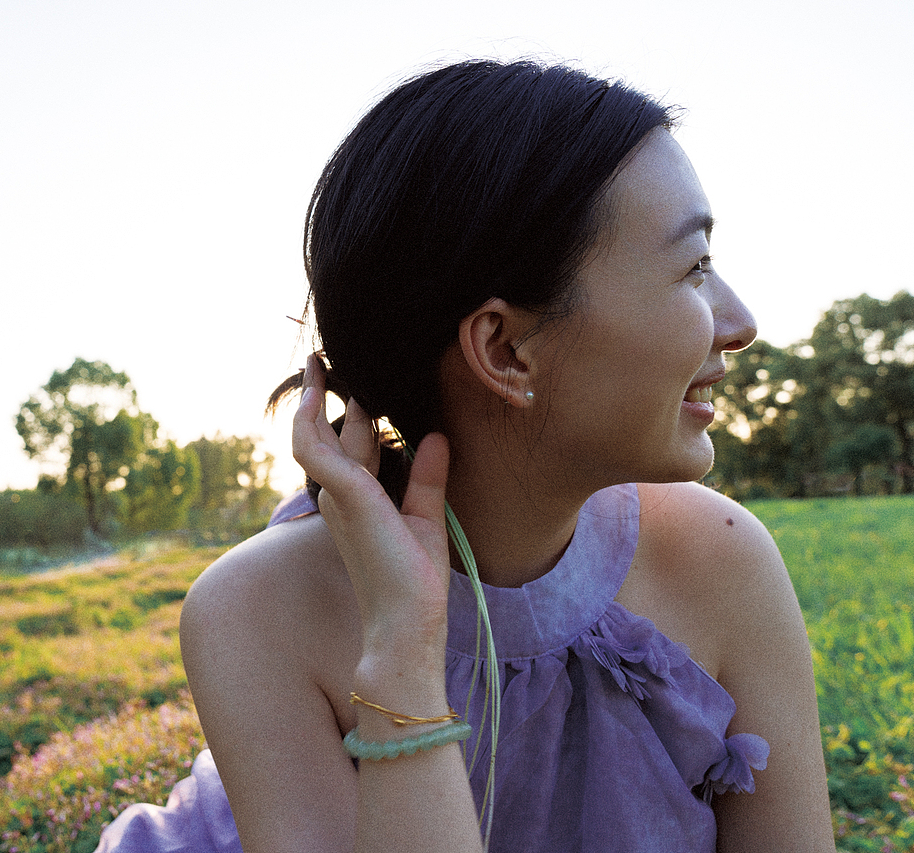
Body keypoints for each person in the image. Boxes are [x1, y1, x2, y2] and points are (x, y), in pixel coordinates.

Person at [97, 59, 834, 852]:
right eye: (692, 268)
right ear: (505, 349)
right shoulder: (259, 608)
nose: (740, 320)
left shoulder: (719, 562)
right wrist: (404, 658)